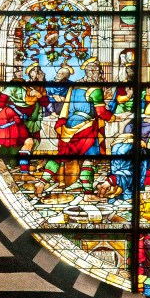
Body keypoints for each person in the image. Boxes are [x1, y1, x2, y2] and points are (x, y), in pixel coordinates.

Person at [35, 57, 113, 197]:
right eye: (97, 70)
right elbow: (101, 112)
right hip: (86, 126)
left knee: (61, 156)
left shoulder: (75, 86)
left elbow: (68, 108)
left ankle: (41, 182)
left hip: (69, 125)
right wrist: (114, 118)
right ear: (93, 71)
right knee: (90, 156)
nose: (97, 73)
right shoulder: (95, 90)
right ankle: (88, 192)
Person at [0, 63, 50, 171]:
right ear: (30, 73)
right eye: (35, 71)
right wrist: (0, 109)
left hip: (32, 119)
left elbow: (45, 103)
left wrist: (39, 95)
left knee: (28, 141)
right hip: (15, 118)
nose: (38, 73)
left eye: (39, 71)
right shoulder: (20, 85)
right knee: (15, 141)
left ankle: (22, 168)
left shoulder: (41, 88)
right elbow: (4, 97)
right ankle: (14, 165)